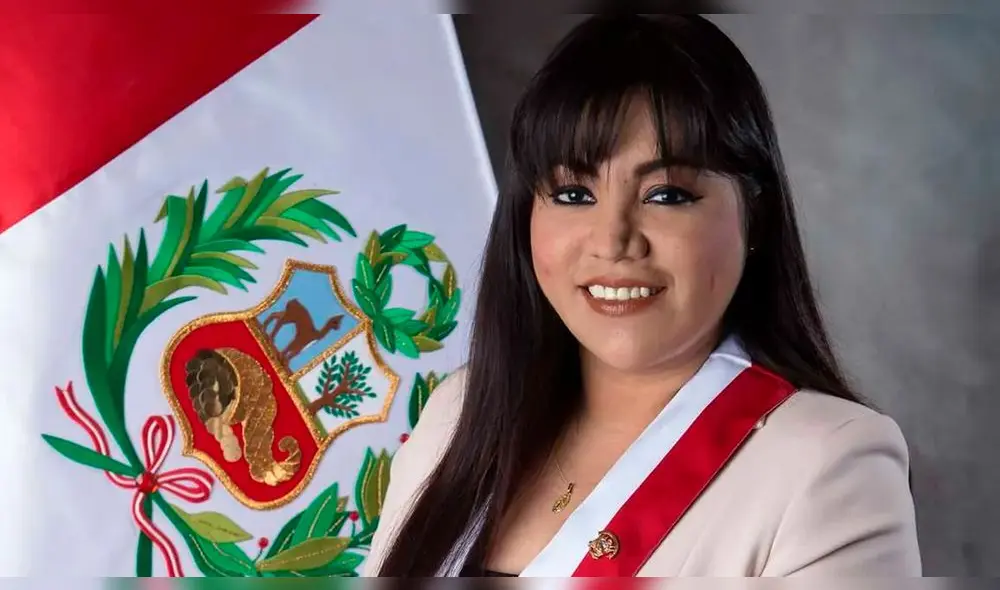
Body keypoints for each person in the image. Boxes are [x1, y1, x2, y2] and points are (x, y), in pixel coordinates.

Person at [364, 14, 921, 577]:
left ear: (756, 217)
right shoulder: (456, 416)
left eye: (667, 194)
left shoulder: (829, 464)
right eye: (575, 193)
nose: (614, 241)